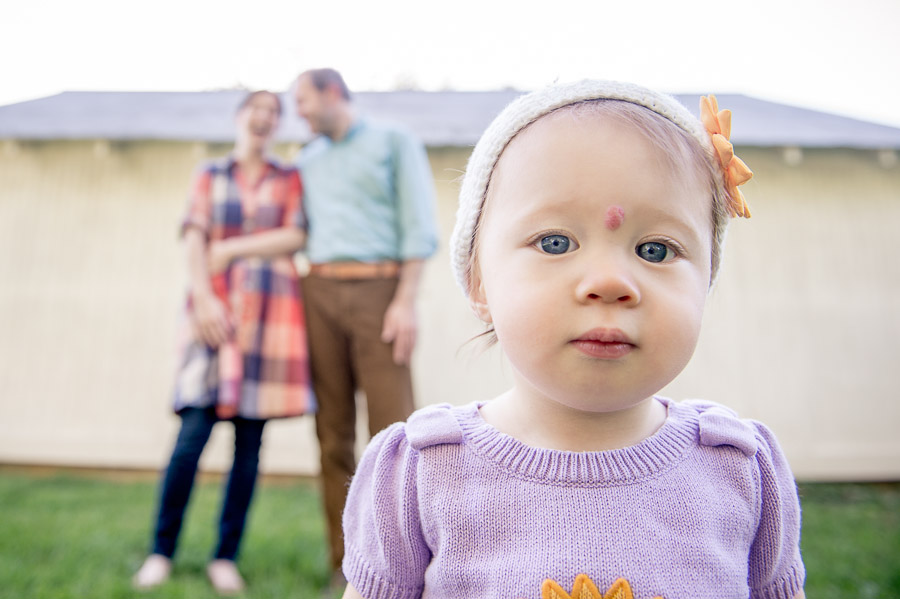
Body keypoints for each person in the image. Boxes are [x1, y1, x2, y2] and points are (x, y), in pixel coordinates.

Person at [338, 81, 806, 599]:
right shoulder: (422, 472)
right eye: (555, 242)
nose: (609, 281)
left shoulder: (739, 467)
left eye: (655, 250)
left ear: (707, 280)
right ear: (479, 282)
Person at [132, 90, 314, 595]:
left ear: (277, 124)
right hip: (212, 317)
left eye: (272, 113)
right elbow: (193, 237)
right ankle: (160, 552)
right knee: (190, 439)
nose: (262, 119)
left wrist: (232, 247)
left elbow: (295, 235)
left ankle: (224, 557)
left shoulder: (289, 177)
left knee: (249, 447)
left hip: (269, 324)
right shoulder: (209, 174)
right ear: (240, 119)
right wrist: (204, 301)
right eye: (254, 111)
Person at [290, 68, 438, 588]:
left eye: (303, 101)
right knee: (331, 434)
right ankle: (344, 565)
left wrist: (405, 302)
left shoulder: (393, 142)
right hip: (319, 292)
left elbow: (418, 224)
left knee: (395, 434)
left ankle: (405, 567)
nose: (299, 112)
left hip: (380, 290)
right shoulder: (306, 160)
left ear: (332, 93)